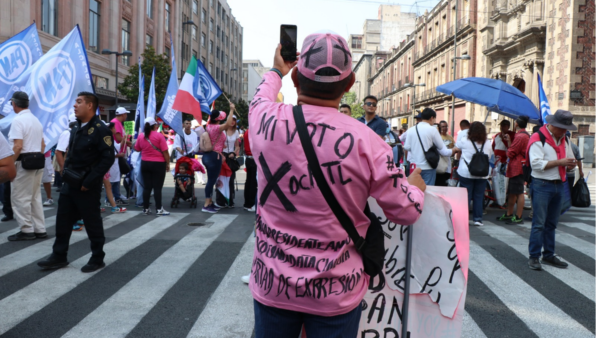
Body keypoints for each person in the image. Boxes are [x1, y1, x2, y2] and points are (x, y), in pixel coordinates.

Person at [248, 34, 425, 338]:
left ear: (296, 78)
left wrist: (277, 70)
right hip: (335, 291)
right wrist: (416, 187)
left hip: (272, 284)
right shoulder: (369, 142)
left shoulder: (263, 119)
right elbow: (406, 212)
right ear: (350, 83)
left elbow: (262, 94)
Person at [37, 92, 115, 272]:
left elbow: (107, 159)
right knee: (62, 221)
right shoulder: (76, 128)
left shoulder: (100, 129)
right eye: (75, 102)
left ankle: (97, 258)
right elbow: (70, 155)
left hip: (87, 185)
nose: (75, 105)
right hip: (70, 183)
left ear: (90, 106)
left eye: (79, 102)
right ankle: (59, 255)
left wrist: (89, 181)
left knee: (92, 222)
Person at [526, 110, 578, 271]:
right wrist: (559, 162)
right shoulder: (537, 138)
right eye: (562, 128)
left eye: (566, 128)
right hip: (542, 184)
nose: (565, 131)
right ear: (553, 125)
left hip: (559, 183)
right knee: (539, 224)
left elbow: (568, 160)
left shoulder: (565, 139)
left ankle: (548, 255)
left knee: (552, 224)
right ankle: (534, 256)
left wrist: (570, 164)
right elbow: (536, 164)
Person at [6, 91, 47, 241]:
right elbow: (42, 144)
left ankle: (27, 229)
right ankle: (39, 228)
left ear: (14, 104)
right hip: (37, 161)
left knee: (20, 197)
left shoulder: (18, 120)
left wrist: (10, 164)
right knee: (35, 196)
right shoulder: (35, 120)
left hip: (23, 162)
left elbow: (17, 146)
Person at [404, 108, 458, 185]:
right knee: (427, 191)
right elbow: (442, 150)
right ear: (432, 118)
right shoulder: (432, 130)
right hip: (428, 167)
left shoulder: (411, 130)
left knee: (414, 190)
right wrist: (454, 150)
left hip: (414, 167)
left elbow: (407, 147)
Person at [456, 122, 493, 226]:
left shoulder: (465, 140)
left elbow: (456, 146)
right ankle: (477, 219)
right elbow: (489, 156)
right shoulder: (488, 142)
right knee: (479, 196)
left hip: (466, 172)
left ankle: (464, 218)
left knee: (466, 196)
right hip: (482, 173)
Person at [201, 104, 235, 213]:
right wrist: (231, 110)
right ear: (218, 119)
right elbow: (229, 124)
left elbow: (215, 139)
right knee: (211, 181)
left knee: (212, 180)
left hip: (208, 156)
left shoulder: (209, 126)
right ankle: (206, 204)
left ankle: (210, 202)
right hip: (214, 156)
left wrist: (221, 145)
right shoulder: (217, 127)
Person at [134, 116, 171, 216]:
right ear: (154, 125)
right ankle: (159, 209)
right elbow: (165, 151)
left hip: (145, 163)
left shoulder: (141, 136)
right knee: (157, 188)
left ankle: (146, 209)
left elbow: (137, 149)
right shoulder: (159, 136)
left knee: (147, 187)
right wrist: (167, 163)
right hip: (158, 164)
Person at [497, 116, 530, 225]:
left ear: (516, 124)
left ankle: (518, 216)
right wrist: (510, 141)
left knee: (519, 192)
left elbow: (511, 152)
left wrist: (509, 147)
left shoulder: (520, 136)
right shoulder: (524, 135)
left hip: (517, 166)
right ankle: (509, 213)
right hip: (518, 165)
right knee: (512, 192)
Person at [216, 116, 240, 208]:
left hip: (230, 157)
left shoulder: (236, 132)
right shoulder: (222, 130)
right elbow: (217, 142)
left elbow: (237, 146)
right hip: (222, 156)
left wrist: (234, 153)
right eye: (231, 120)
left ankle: (230, 201)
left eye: (234, 120)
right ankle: (220, 201)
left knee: (230, 180)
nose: (232, 122)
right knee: (221, 179)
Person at [435, 120, 454, 186]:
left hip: (447, 163)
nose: (444, 128)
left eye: (446, 126)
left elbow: (452, 147)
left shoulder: (450, 137)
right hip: (439, 163)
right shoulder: (437, 137)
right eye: (442, 127)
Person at [242, 129, 257, 212]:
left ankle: (248, 203)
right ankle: (251, 203)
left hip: (249, 157)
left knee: (249, 181)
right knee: (253, 182)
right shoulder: (254, 130)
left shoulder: (248, 130)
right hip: (253, 157)